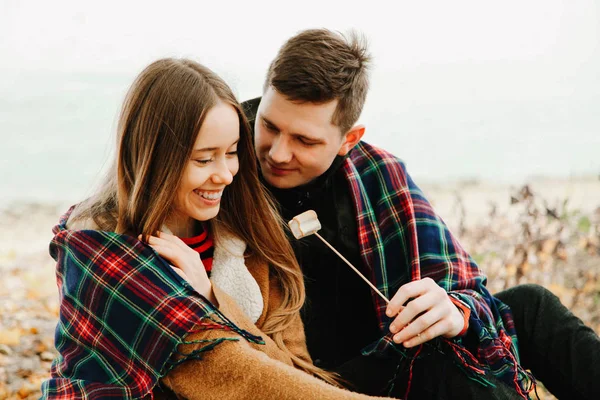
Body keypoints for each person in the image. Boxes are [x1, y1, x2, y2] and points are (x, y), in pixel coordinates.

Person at [242, 28, 600, 399]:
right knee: (440, 365)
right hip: (318, 379)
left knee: (532, 304)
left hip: (390, 346)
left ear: (349, 139)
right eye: (269, 125)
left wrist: (452, 308)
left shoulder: (377, 172)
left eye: (305, 140)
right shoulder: (224, 164)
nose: (278, 153)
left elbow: (463, 288)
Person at [41, 58, 393, 400]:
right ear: (155, 158)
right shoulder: (103, 248)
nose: (225, 174)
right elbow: (231, 376)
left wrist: (213, 298)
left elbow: (293, 369)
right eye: (204, 158)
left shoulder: (248, 237)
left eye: (233, 152)